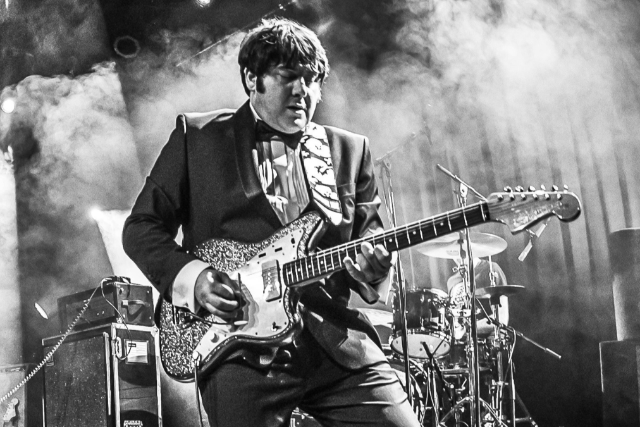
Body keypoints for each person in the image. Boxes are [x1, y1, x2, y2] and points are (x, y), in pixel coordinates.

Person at [122, 18, 421, 427]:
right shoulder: (198, 137)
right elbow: (141, 228)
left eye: (312, 80)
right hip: (238, 346)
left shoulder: (349, 150)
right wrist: (196, 279)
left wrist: (375, 268)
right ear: (252, 78)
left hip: (334, 342)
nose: (303, 90)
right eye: (288, 76)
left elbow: (370, 235)